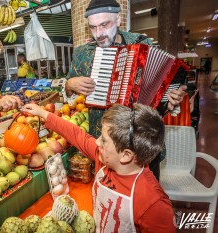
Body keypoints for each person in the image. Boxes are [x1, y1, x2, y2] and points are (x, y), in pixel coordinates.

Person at [63, 0, 187, 180]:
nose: (99, 34)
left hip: (143, 141)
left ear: (118, 19)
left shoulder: (142, 45)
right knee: (108, 197)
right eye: (93, 27)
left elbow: (160, 97)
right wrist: (69, 85)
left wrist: (171, 100)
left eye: (104, 25)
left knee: (145, 198)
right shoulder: (82, 54)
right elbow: (68, 90)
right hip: (106, 146)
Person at [23, 103, 176, 233]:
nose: (97, 142)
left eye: (104, 140)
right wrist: (44, 114)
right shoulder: (106, 160)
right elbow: (78, 135)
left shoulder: (154, 204)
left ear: (126, 155)